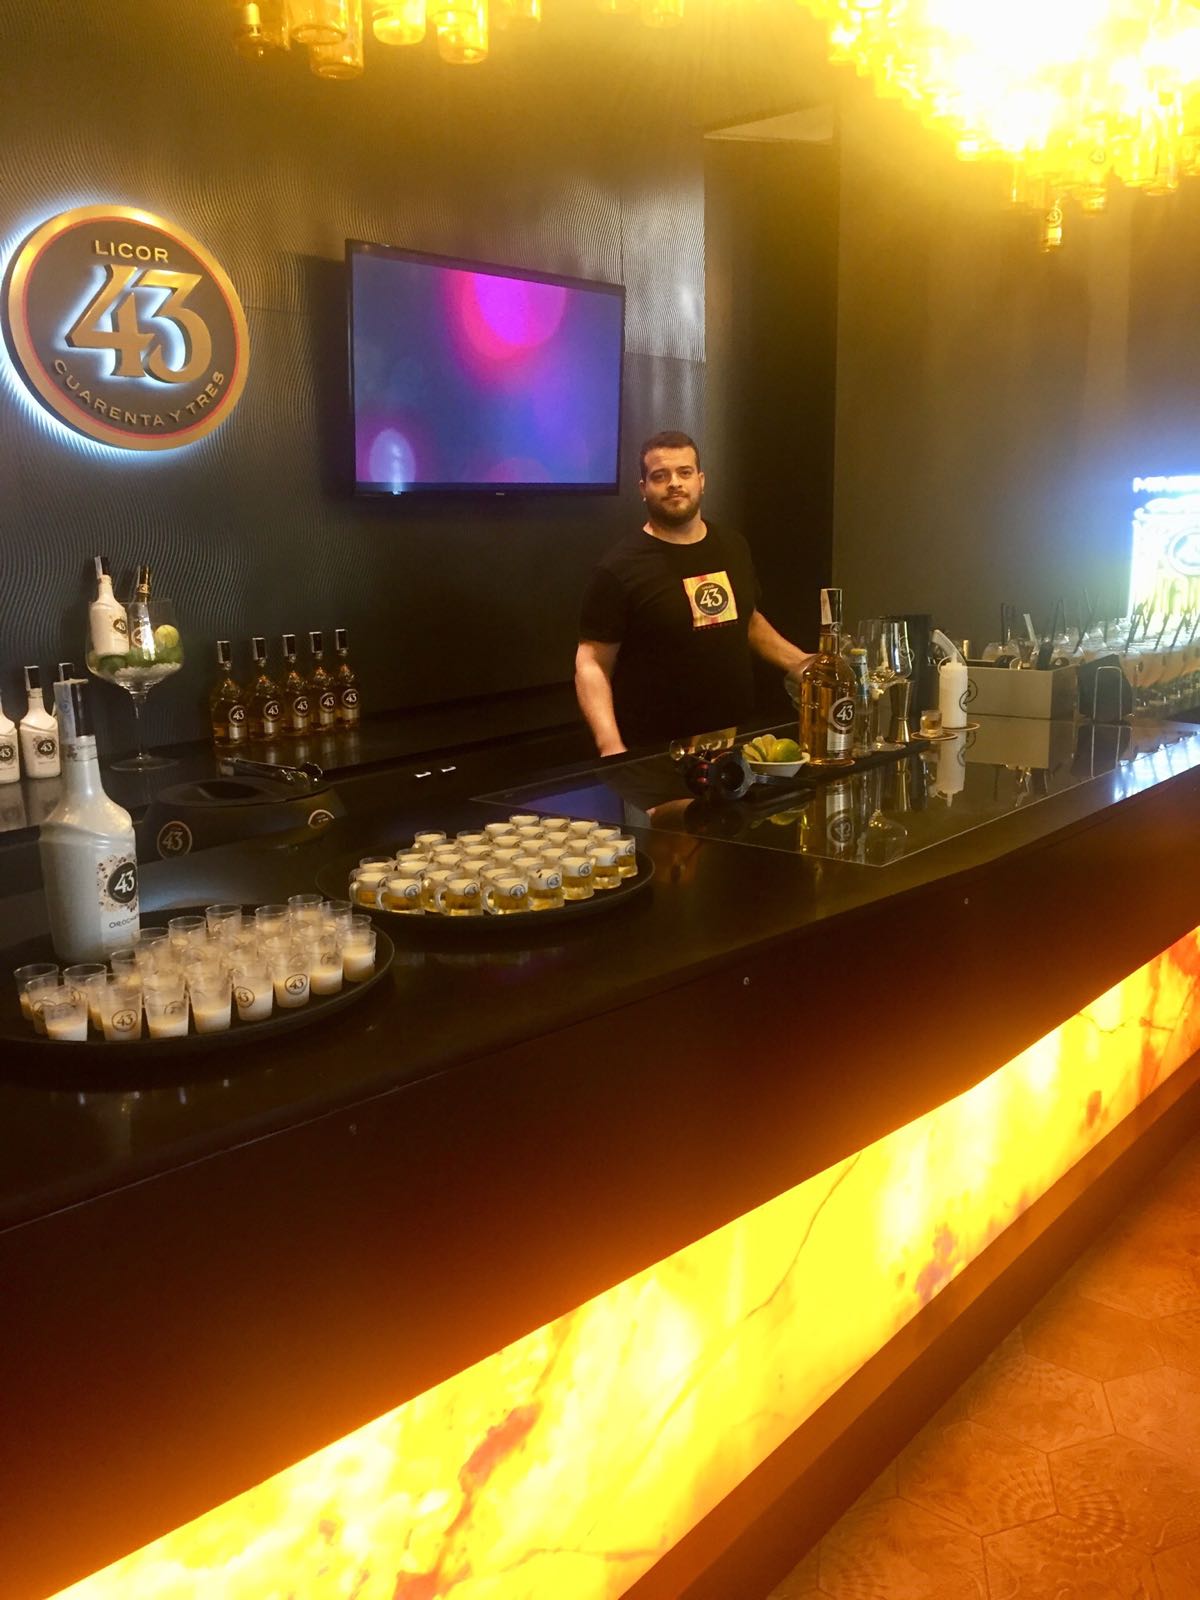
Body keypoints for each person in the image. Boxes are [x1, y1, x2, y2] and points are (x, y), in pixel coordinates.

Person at [575, 431, 812, 755]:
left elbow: (748, 620)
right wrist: (611, 746)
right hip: (656, 754)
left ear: (701, 481)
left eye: (684, 472)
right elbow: (591, 664)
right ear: (643, 489)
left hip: (735, 744)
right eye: (660, 476)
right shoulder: (618, 568)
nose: (674, 483)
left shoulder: (733, 546)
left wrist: (804, 664)